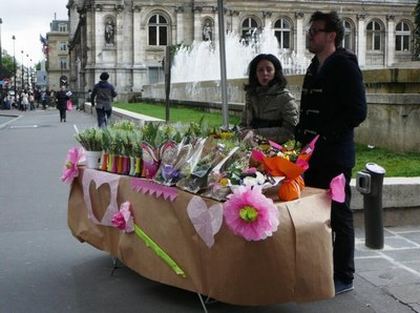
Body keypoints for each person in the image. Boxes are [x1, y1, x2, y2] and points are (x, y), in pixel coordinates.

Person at [295, 11, 367, 295]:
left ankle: (344, 276)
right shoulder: (315, 65)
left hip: (335, 156)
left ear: (331, 35)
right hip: (312, 156)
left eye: (315, 30)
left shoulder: (344, 65)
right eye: (310, 30)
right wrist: (302, 134)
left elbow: (358, 112)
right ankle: (319, 267)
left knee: (339, 214)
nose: (310, 35)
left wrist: (325, 136)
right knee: (313, 212)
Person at [239, 53, 299, 144]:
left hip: (277, 153)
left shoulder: (286, 98)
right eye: (260, 70)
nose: (265, 73)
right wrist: (242, 133)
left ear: (276, 72)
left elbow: (290, 132)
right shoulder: (251, 96)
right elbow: (243, 124)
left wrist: (257, 133)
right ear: (255, 74)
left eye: (269, 69)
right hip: (251, 148)